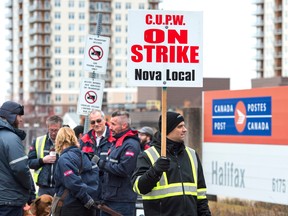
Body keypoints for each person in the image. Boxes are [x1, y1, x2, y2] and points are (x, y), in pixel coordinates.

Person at [132, 111, 211, 216]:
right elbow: (139, 187)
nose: (185, 130)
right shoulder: (147, 155)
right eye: (180, 126)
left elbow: (201, 193)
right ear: (167, 130)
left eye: (184, 125)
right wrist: (155, 171)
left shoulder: (191, 154)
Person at [92, 110, 141, 216]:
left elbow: (124, 169)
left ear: (124, 125)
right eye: (110, 124)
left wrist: (101, 163)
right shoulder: (117, 142)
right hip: (109, 198)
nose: (109, 127)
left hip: (122, 201)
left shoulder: (131, 145)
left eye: (113, 124)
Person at [54, 127, 100, 216]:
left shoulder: (64, 159)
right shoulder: (84, 156)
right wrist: (90, 199)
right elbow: (95, 176)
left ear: (58, 141)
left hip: (71, 205)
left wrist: (85, 198)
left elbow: (72, 182)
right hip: (88, 206)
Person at [0, 101, 35, 216]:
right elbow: (20, 168)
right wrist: (29, 188)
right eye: (19, 115)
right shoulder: (11, 138)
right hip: (9, 202)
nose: (21, 119)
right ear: (11, 116)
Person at [79, 109, 114, 215]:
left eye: (99, 121)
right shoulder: (84, 140)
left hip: (110, 189)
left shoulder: (114, 138)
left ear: (104, 120)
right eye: (93, 122)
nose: (96, 124)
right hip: (91, 189)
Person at [28, 115, 63, 196]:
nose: (53, 133)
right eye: (51, 130)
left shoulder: (66, 143)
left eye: (56, 130)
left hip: (60, 188)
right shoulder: (38, 141)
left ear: (61, 129)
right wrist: (42, 160)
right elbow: (29, 163)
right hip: (43, 188)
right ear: (48, 128)